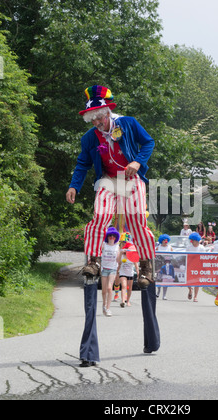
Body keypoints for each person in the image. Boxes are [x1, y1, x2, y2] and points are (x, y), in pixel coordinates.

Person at [66, 85, 160, 356]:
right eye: (92, 118)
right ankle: (93, 262)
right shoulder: (90, 137)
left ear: (108, 112)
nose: (96, 122)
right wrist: (74, 185)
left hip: (130, 179)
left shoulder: (128, 124)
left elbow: (149, 142)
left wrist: (138, 163)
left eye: (99, 116)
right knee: (101, 215)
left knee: (135, 220)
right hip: (108, 180)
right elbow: (82, 163)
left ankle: (145, 265)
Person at [101, 227, 120, 317]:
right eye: (110, 236)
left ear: (116, 237)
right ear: (107, 237)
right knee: (104, 291)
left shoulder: (117, 246)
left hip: (113, 269)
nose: (112, 237)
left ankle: (108, 308)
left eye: (113, 236)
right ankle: (104, 305)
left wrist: (122, 254)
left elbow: (118, 260)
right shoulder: (104, 245)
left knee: (109, 288)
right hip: (104, 269)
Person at [117, 240, 139, 307]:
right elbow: (118, 262)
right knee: (124, 286)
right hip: (122, 272)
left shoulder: (132, 256)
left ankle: (128, 301)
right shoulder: (122, 255)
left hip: (130, 273)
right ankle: (123, 301)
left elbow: (136, 265)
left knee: (129, 288)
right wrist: (121, 253)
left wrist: (138, 273)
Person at [186, 232, 206, 302]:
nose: (191, 242)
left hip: (198, 267)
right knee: (188, 281)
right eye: (191, 240)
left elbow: (204, 258)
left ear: (196, 240)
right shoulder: (189, 247)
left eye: (193, 240)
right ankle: (190, 289)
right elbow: (186, 257)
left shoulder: (202, 248)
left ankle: (195, 296)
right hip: (190, 266)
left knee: (197, 282)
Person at [156, 234, 173, 300]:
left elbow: (172, 255)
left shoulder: (170, 247)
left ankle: (164, 295)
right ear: (161, 241)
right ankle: (158, 291)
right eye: (164, 240)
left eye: (166, 240)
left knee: (165, 280)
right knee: (159, 279)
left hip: (167, 265)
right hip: (160, 265)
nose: (165, 241)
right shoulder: (158, 247)